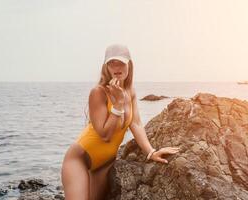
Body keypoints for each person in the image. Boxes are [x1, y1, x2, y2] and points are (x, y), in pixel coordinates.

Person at [61, 44, 180, 200]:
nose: (116, 67)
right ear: (106, 67)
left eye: (121, 63)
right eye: (112, 63)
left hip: (104, 164)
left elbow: (136, 123)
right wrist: (117, 104)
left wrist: (151, 152)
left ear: (129, 64)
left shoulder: (130, 92)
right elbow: (105, 135)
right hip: (79, 159)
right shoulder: (99, 92)